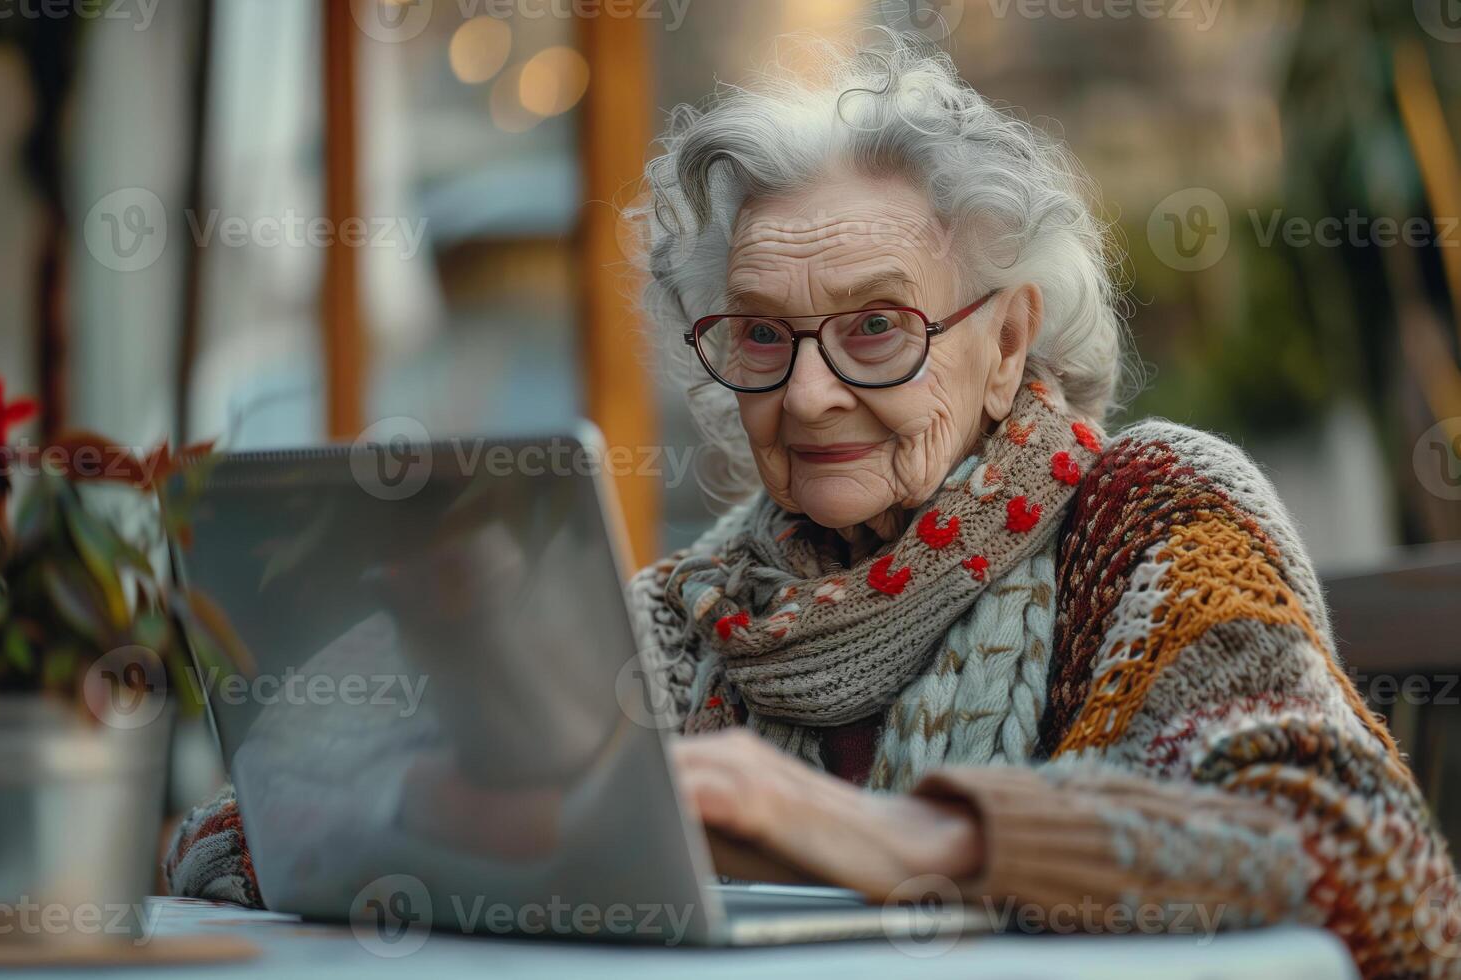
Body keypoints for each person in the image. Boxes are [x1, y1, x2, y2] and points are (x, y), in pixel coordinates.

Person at [167, 31, 1459, 975]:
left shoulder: (1148, 514)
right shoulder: (690, 615)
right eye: (759, 338)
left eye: (878, 329)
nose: (809, 395)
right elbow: (231, 843)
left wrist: (899, 838)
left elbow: (1362, 856)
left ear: (1008, 337)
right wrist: (491, 795)